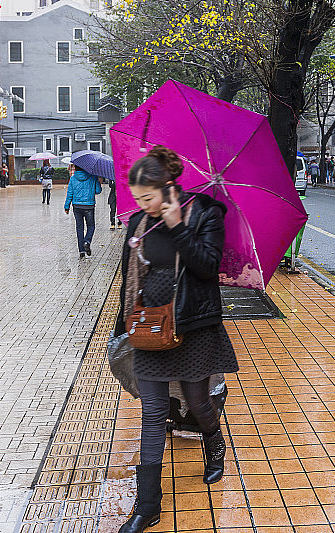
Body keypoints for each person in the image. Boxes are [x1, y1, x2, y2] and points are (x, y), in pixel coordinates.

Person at [114, 146, 238, 533]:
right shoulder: (139, 223)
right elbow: (129, 282)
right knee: (152, 414)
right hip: (150, 329)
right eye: (137, 199)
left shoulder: (204, 213)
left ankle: (213, 441)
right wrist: (124, 329)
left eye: (148, 198)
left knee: (198, 403)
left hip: (193, 329)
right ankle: (146, 505)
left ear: (167, 186)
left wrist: (177, 227)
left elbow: (208, 267)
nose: (143, 205)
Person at [64, 163, 102, 258]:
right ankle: (87, 241)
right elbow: (98, 191)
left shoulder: (73, 178)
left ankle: (81, 251)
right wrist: (96, 180)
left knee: (79, 228)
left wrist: (66, 206)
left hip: (77, 206)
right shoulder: (92, 176)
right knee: (91, 225)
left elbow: (70, 193)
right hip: (89, 206)